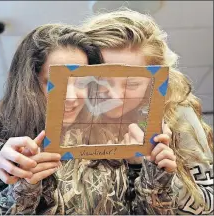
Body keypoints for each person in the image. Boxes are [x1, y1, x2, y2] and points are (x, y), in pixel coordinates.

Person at [0, 21, 177, 215]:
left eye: (81, 81)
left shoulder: (114, 135)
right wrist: (19, 183)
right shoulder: (11, 143)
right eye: (53, 82)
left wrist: (153, 179)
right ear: (30, 83)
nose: (72, 97)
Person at [82, 9, 213, 215]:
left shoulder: (177, 114)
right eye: (103, 79)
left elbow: (208, 207)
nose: (117, 96)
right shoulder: (69, 117)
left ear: (154, 82)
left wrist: (160, 174)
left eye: (133, 83)